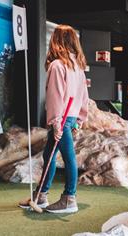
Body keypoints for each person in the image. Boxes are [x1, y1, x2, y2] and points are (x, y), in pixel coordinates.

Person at [19, 25, 89, 214]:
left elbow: (55, 97)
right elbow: (84, 97)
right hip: (70, 117)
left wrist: (57, 124)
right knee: (48, 156)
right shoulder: (78, 66)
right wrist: (79, 120)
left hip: (62, 118)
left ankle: (69, 199)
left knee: (69, 158)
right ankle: (41, 195)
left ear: (56, 41)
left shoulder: (58, 66)